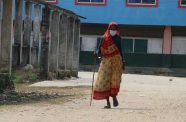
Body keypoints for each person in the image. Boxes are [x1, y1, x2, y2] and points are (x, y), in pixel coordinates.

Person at [93, 22, 124, 109]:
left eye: (114, 29)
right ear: (108, 29)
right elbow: (99, 49)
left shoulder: (118, 38)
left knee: (114, 81)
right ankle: (108, 103)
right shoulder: (104, 38)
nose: (113, 30)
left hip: (116, 62)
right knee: (104, 81)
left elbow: (121, 51)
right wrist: (96, 54)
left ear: (117, 30)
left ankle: (114, 97)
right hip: (106, 61)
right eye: (111, 29)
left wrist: (123, 62)